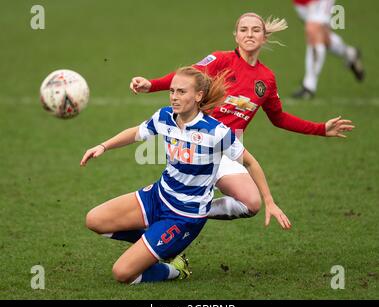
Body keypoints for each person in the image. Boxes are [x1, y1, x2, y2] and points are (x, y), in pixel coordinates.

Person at [128, 12, 355, 222]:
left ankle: (194, 209)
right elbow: (184, 77)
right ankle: (170, 208)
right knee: (180, 196)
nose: (249, 34)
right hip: (199, 145)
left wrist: (320, 129)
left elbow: (279, 118)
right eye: (244, 29)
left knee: (251, 203)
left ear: (264, 37)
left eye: (256, 30)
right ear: (236, 36)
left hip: (228, 148)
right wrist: (152, 85)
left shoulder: (266, 79)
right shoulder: (220, 60)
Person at [80, 66, 291, 284]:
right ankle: (159, 247)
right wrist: (103, 146)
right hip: (157, 196)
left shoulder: (216, 132)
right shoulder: (164, 117)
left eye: (181, 92)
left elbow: (250, 162)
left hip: (184, 217)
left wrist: (269, 201)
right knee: (94, 220)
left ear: (198, 96)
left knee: (123, 273)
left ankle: (176, 270)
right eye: (172, 91)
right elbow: (136, 132)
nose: (174, 97)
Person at [292, 0, 365, 99]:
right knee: (322, 37)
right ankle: (349, 53)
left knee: (313, 29)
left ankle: (309, 86)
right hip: (301, 3)